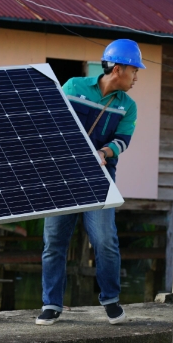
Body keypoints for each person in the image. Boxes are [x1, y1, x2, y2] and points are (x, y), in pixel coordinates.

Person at [36, 39, 145, 326]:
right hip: (63, 176)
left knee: (105, 240)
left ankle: (110, 300)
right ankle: (51, 305)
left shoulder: (128, 107)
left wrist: (104, 152)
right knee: (54, 243)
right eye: (135, 70)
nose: (137, 77)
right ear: (118, 69)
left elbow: (122, 141)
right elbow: (55, 124)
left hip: (100, 176)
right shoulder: (73, 86)